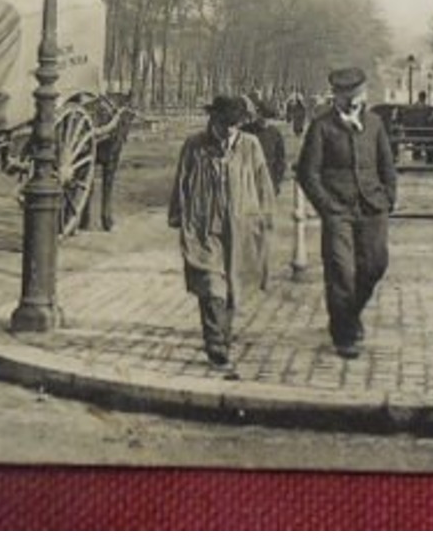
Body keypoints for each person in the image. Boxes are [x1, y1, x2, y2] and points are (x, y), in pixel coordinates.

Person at [294, 66, 398, 359]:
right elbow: (308, 173)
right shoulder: (321, 126)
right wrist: (327, 207)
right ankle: (344, 336)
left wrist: (388, 197)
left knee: (375, 265)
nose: (353, 100)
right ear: (336, 96)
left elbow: (387, 166)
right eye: (346, 95)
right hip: (338, 210)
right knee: (341, 270)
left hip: (373, 207)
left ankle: (348, 316)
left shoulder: (376, 124)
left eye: (357, 94)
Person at [168, 94, 276, 373]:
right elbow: (182, 180)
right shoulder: (194, 146)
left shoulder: (250, 146)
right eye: (225, 124)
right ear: (213, 120)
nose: (230, 130)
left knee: (231, 286)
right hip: (204, 227)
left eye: (235, 125)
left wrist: (265, 217)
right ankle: (215, 343)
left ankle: (222, 336)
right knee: (210, 284)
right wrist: (177, 215)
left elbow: (263, 183)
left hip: (240, 227)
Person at [240, 95, 289, 194]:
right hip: (249, 178)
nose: (264, 120)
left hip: (269, 178)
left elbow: (280, 159)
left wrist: (276, 181)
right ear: (258, 114)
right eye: (262, 116)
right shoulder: (245, 131)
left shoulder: (275, 133)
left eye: (268, 117)